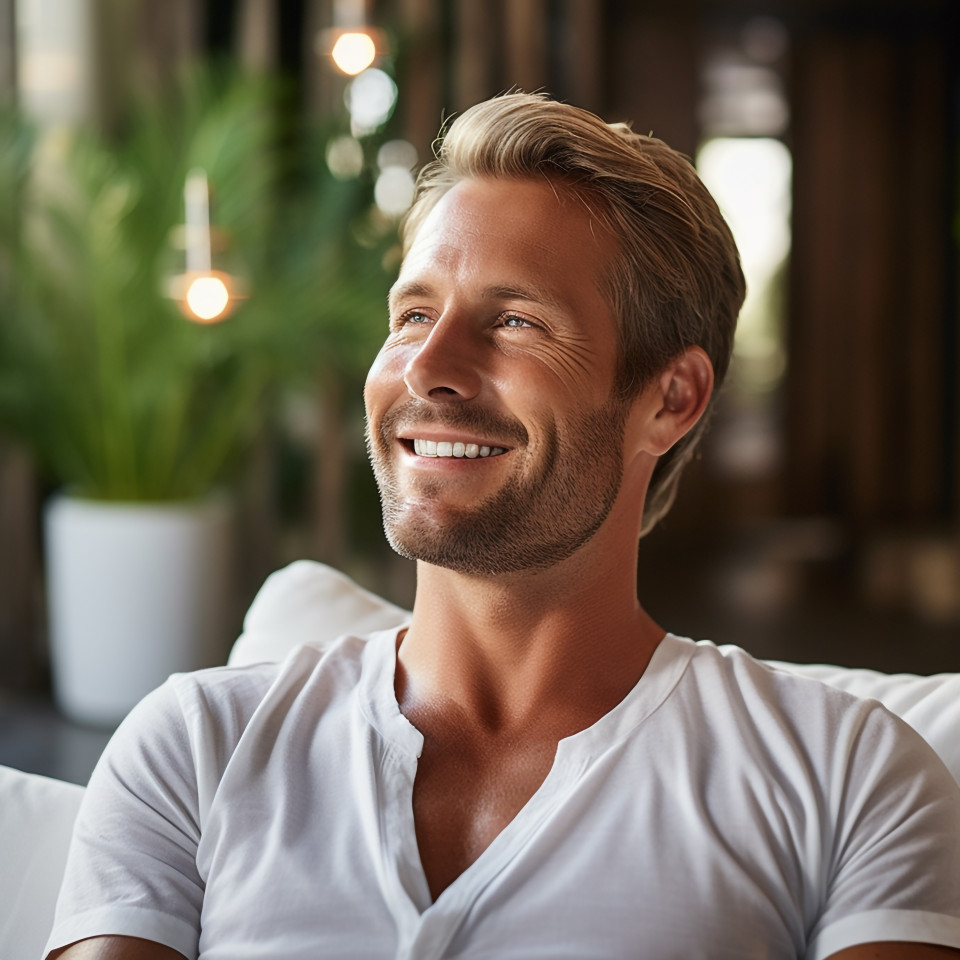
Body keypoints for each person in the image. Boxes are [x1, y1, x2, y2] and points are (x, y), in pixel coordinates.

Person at [46, 93, 960, 960]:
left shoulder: (849, 777)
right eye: (412, 314)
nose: (429, 368)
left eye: (516, 320)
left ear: (669, 399)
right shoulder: (194, 746)